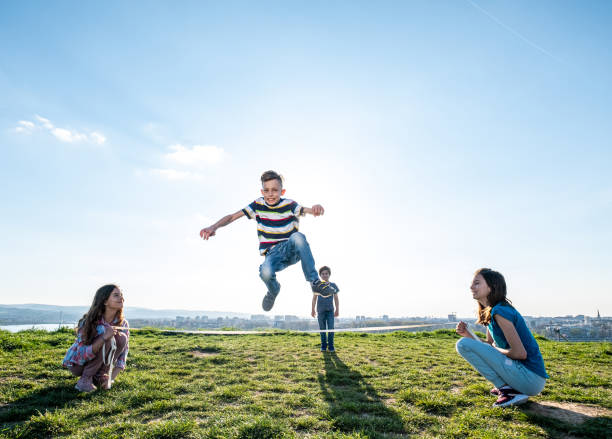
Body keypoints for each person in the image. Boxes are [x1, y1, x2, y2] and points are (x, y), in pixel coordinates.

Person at [200, 170, 329, 311]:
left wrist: (315, 209)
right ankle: (273, 291)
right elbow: (232, 217)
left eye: (275, 190)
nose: (270, 194)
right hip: (273, 254)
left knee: (298, 237)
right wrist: (214, 227)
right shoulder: (257, 205)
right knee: (265, 272)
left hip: (291, 248)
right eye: (266, 190)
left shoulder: (289, 204)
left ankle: (314, 282)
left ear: (282, 191)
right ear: (262, 191)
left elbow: (305, 210)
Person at [455, 268, 548, 407]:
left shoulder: (500, 311)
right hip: (524, 376)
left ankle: (508, 391)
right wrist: (468, 335)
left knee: (462, 344)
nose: (471, 287)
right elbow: (489, 344)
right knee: (465, 342)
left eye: (477, 283)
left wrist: (493, 349)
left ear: (491, 287)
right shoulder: (491, 311)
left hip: (531, 378)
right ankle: (508, 389)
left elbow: (519, 353)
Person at [63, 284, 129, 392]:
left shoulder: (123, 323)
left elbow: (123, 352)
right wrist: (103, 338)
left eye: (121, 295)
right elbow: (81, 354)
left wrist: (111, 377)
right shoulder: (89, 322)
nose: (121, 298)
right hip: (79, 364)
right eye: (116, 295)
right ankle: (85, 379)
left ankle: (100, 375)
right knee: (107, 340)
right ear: (105, 301)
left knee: (122, 338)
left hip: (99, 366)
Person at [311, 266, 340, 352]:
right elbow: (314, 298)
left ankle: (331, 346)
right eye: (323, 274)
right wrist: (312, 310)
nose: (324, 275)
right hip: (320, 311)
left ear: (329, 274)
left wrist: (337, 310)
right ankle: (323, 346)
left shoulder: (333, 285)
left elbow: (336, 298)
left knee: (331, 329)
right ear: (320, 275)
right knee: (322, 330)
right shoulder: (317, 286)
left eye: (326, 273)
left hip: (330, 311)